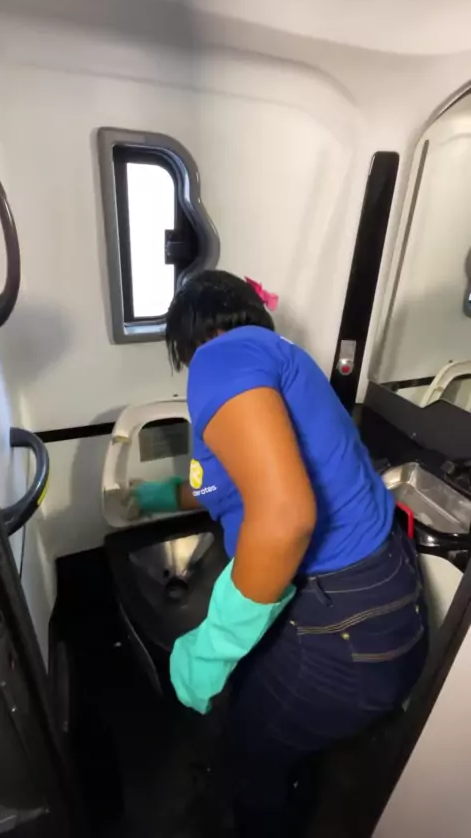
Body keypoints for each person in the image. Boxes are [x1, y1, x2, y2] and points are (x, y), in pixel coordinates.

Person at [131, 270, 428, 838]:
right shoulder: (282, 362)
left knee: (248, 756)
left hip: (340, 626)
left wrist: (214, 645)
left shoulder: (219, 358)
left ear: (191, 334)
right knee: (283, 740)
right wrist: (161, 495)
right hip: (391, 600)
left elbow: (286, 517)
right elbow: (233, 477)